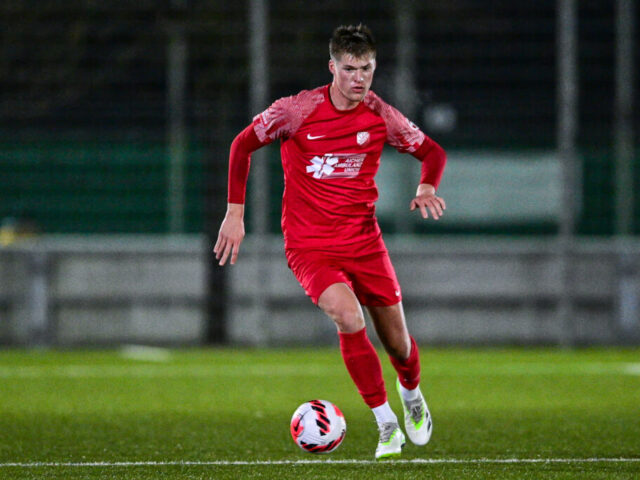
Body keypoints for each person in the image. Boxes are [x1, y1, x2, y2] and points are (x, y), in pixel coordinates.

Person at [214, 24, 446, 460]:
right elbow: (241, 146)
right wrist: (234, 213)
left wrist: (426, 187)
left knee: (399, 345)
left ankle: (411, 395)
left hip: (365, 244)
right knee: (347, 315)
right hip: (310, 247)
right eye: (350, 69)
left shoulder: (380, 115)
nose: (359, 79)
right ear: (332, 68)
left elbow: (432, 152)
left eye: (367, 69)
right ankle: (386, 424)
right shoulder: (295, 111)